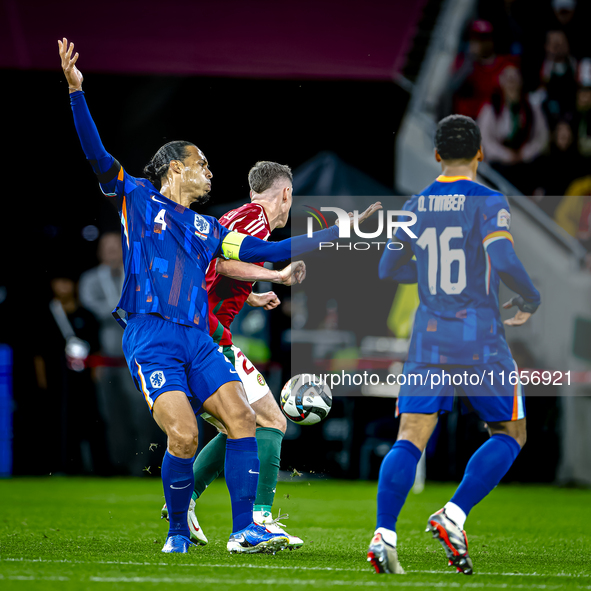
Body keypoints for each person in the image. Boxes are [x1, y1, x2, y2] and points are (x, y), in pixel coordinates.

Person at [59, 38, 379, 554]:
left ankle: (244, 529)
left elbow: (274, 247)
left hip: (200, 340)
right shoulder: (137, 199)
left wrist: (339, 233)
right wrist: (77, 93)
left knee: (243, 419)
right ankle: (178, 535)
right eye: (201, 162)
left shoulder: (209, 228)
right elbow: (97, 156)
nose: (209, 170)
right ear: (174, 168)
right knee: (184, 436)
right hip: (153, 337)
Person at [367, 115, 541, 575]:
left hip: (429, 336)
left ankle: (384, 535)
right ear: (480, 153)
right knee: (509, 433)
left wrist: (426, 278)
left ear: (437, 155)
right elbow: (502, 257)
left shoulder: (416, 204)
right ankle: (454, 513)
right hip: (479, 334)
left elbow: (387, 269)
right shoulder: (488, 199)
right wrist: (530, 295)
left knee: (410, 438)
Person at [162, 161, 306, 548]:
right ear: (286, 194)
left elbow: (211, 270)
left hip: (201, 329)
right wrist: (275, 276)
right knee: (272, 421)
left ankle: (186, 499)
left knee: (237, 424)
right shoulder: (255, 220)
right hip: (207, 336)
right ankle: (256, 521)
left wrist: (253, 296)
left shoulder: (236, 214)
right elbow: (224, 263)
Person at [79, 232, 164, 475]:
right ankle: (120, 465)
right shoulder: (90, 279)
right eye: (107, 247)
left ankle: (143, 464)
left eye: (116, 246)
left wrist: (122, 309)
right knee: (112, 414)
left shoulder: (138, 275)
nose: (112, 251)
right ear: (99, 252)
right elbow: (90, 308)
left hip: (136, 356)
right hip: (105, 357)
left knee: (141, 411)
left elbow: (147, 304)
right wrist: (125, 308)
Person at [33, 273, 112, 476]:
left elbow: (96, 350)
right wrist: (43, 382)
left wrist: (95, 377)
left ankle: (101, 468)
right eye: (59, 281)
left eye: (67, 282)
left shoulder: (87, 315)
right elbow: (39, 353)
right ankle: (64, 467)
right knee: (61, 423)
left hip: (84, 381)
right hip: (57, 381)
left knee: (93, 422)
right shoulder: (46, 314)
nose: (63, 286)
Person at [478, 65, 548, 193]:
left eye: (514, 80)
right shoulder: (492, 108)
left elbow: (542, 137)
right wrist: (506, 155)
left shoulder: (531, 107)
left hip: (524, 161)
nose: (511, 85)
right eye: (508, 81)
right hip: (500, 162)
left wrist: (525, 153)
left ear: (521, 82)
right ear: (502, 83)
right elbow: (484, 140)